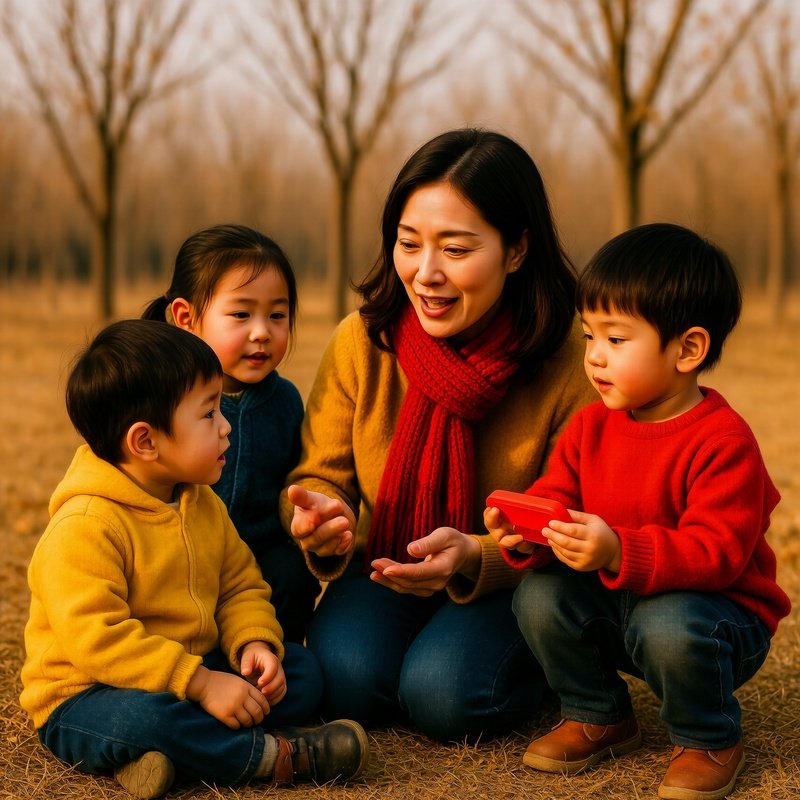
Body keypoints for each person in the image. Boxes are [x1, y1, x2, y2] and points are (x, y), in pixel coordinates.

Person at [281, 128, 596, 742]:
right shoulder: (363, 341)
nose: (425, 274)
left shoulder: (569, 362)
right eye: (408, 244)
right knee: (343, 681)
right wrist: (326, 518)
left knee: (446, 695)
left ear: (515, 250)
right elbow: (320, 474)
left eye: (455, 250)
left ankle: (546, 671)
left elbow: (573, 519)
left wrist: (476, 555)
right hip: (386, 563)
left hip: (510, 579)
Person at [485, 223, 791, 800]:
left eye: (617, 340)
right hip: (624, 606)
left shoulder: (722, 442)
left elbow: (717, 554)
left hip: (719, 620)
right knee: (539, 594)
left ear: (688, 349)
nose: (595, 358)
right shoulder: (591, 426)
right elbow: (558, 495)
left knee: (666, 622)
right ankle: (597, 713)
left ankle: (708, 737)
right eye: (589, 336)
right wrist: (529, 531)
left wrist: (620, 549)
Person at [19, 320, 368, 800]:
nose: (226, 426)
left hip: (190, 668)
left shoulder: (200, 502)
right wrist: (201, 684)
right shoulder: (86, 525)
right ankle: (271, 757)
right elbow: (98, 641)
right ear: (145, 442)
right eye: (209, 414)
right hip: (91, 694)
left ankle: (163, 757)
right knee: (147, 720)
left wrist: (252, 645)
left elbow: (239, 584)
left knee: (300, 672)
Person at [143, 224, 320, 644]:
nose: (262, 332)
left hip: (259, 565)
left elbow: (298, 478)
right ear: (187, 318)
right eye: (241, 314)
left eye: (277, 315)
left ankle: (276, 658)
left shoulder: (286, 401)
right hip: (183, 558)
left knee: (292, 573)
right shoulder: (164, 398)